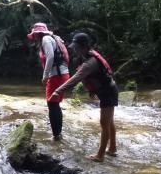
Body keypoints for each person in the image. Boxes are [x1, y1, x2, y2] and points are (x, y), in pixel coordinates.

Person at [49, 32, 117, 162]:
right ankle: (112, 148)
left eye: (76, 47)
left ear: (84, 46)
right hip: (108, 90)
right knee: (109, 122)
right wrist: (92, 91)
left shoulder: (90, 62)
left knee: (104, 123)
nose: (74, 49)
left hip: (108, 92)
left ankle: (100, 155)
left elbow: (76, 78)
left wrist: (57, 91)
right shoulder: (88, 56)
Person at [27, 22, 71, 141]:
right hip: (63, 74)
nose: (34, 37)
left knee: (52, 104)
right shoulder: (53, 38)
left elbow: (50, 57)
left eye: (35, 35)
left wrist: (45, 75)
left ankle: (56, 135)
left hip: (56, 75)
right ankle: (58, 134)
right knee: (55, 104)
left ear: (38, 34)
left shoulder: (46, 40)